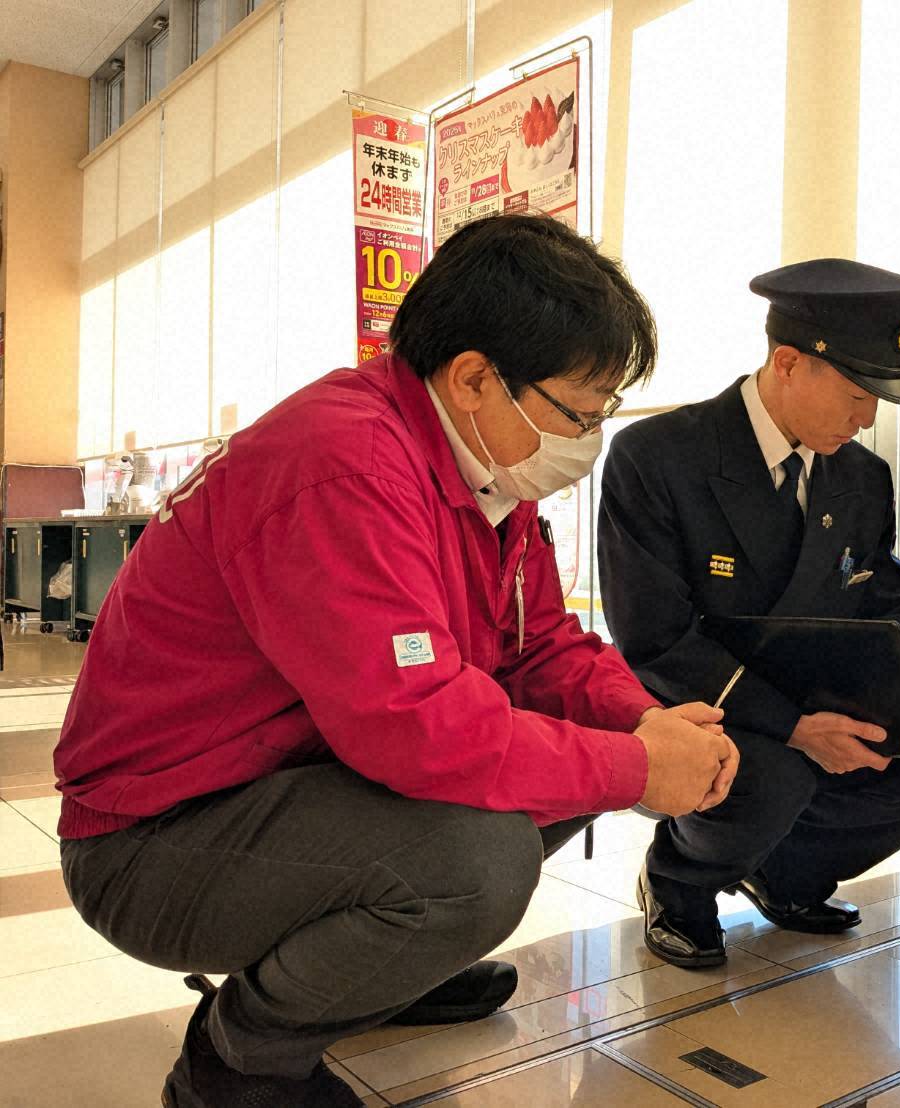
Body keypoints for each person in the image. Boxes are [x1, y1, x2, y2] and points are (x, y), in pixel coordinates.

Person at [52, 213, 738, 1108]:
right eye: (581, 410)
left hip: (289, 783)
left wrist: (637, 720)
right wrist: (639, 767)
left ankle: (379, 974)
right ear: (473, 379)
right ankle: (240, 1059)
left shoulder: (485, 477)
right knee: (479, 860)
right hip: (155, 837)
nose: (591, 436)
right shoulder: (344, 464)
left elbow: (539, 644)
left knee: (552, 775)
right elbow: (411, 723)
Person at [597, 258, 900, 968]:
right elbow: (654, 639)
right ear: (788, 362)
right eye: (857, 391)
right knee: (772, 774)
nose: (869, 415)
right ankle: (677, 880)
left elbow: (886, 616)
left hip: (812, 701)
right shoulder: (657, 457)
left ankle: (784, 874)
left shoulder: (861, 477)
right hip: (697, 703)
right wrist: (795, 728)